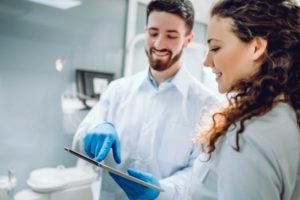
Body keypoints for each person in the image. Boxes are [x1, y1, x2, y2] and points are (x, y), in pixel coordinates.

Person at [110, 0, 300, 199]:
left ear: (256, 48)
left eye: (216, 48)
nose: (206, 62)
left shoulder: (249, 134)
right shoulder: (285, 114)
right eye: (153, 32)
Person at [72, 0, 219, 199]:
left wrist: (162, 191)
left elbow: (200, 174)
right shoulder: (117, 91)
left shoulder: (207, 105)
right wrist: (90, 137)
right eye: (153, 33)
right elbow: (79, 142)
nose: (159, 44)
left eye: (171, 36)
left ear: (188, 39)